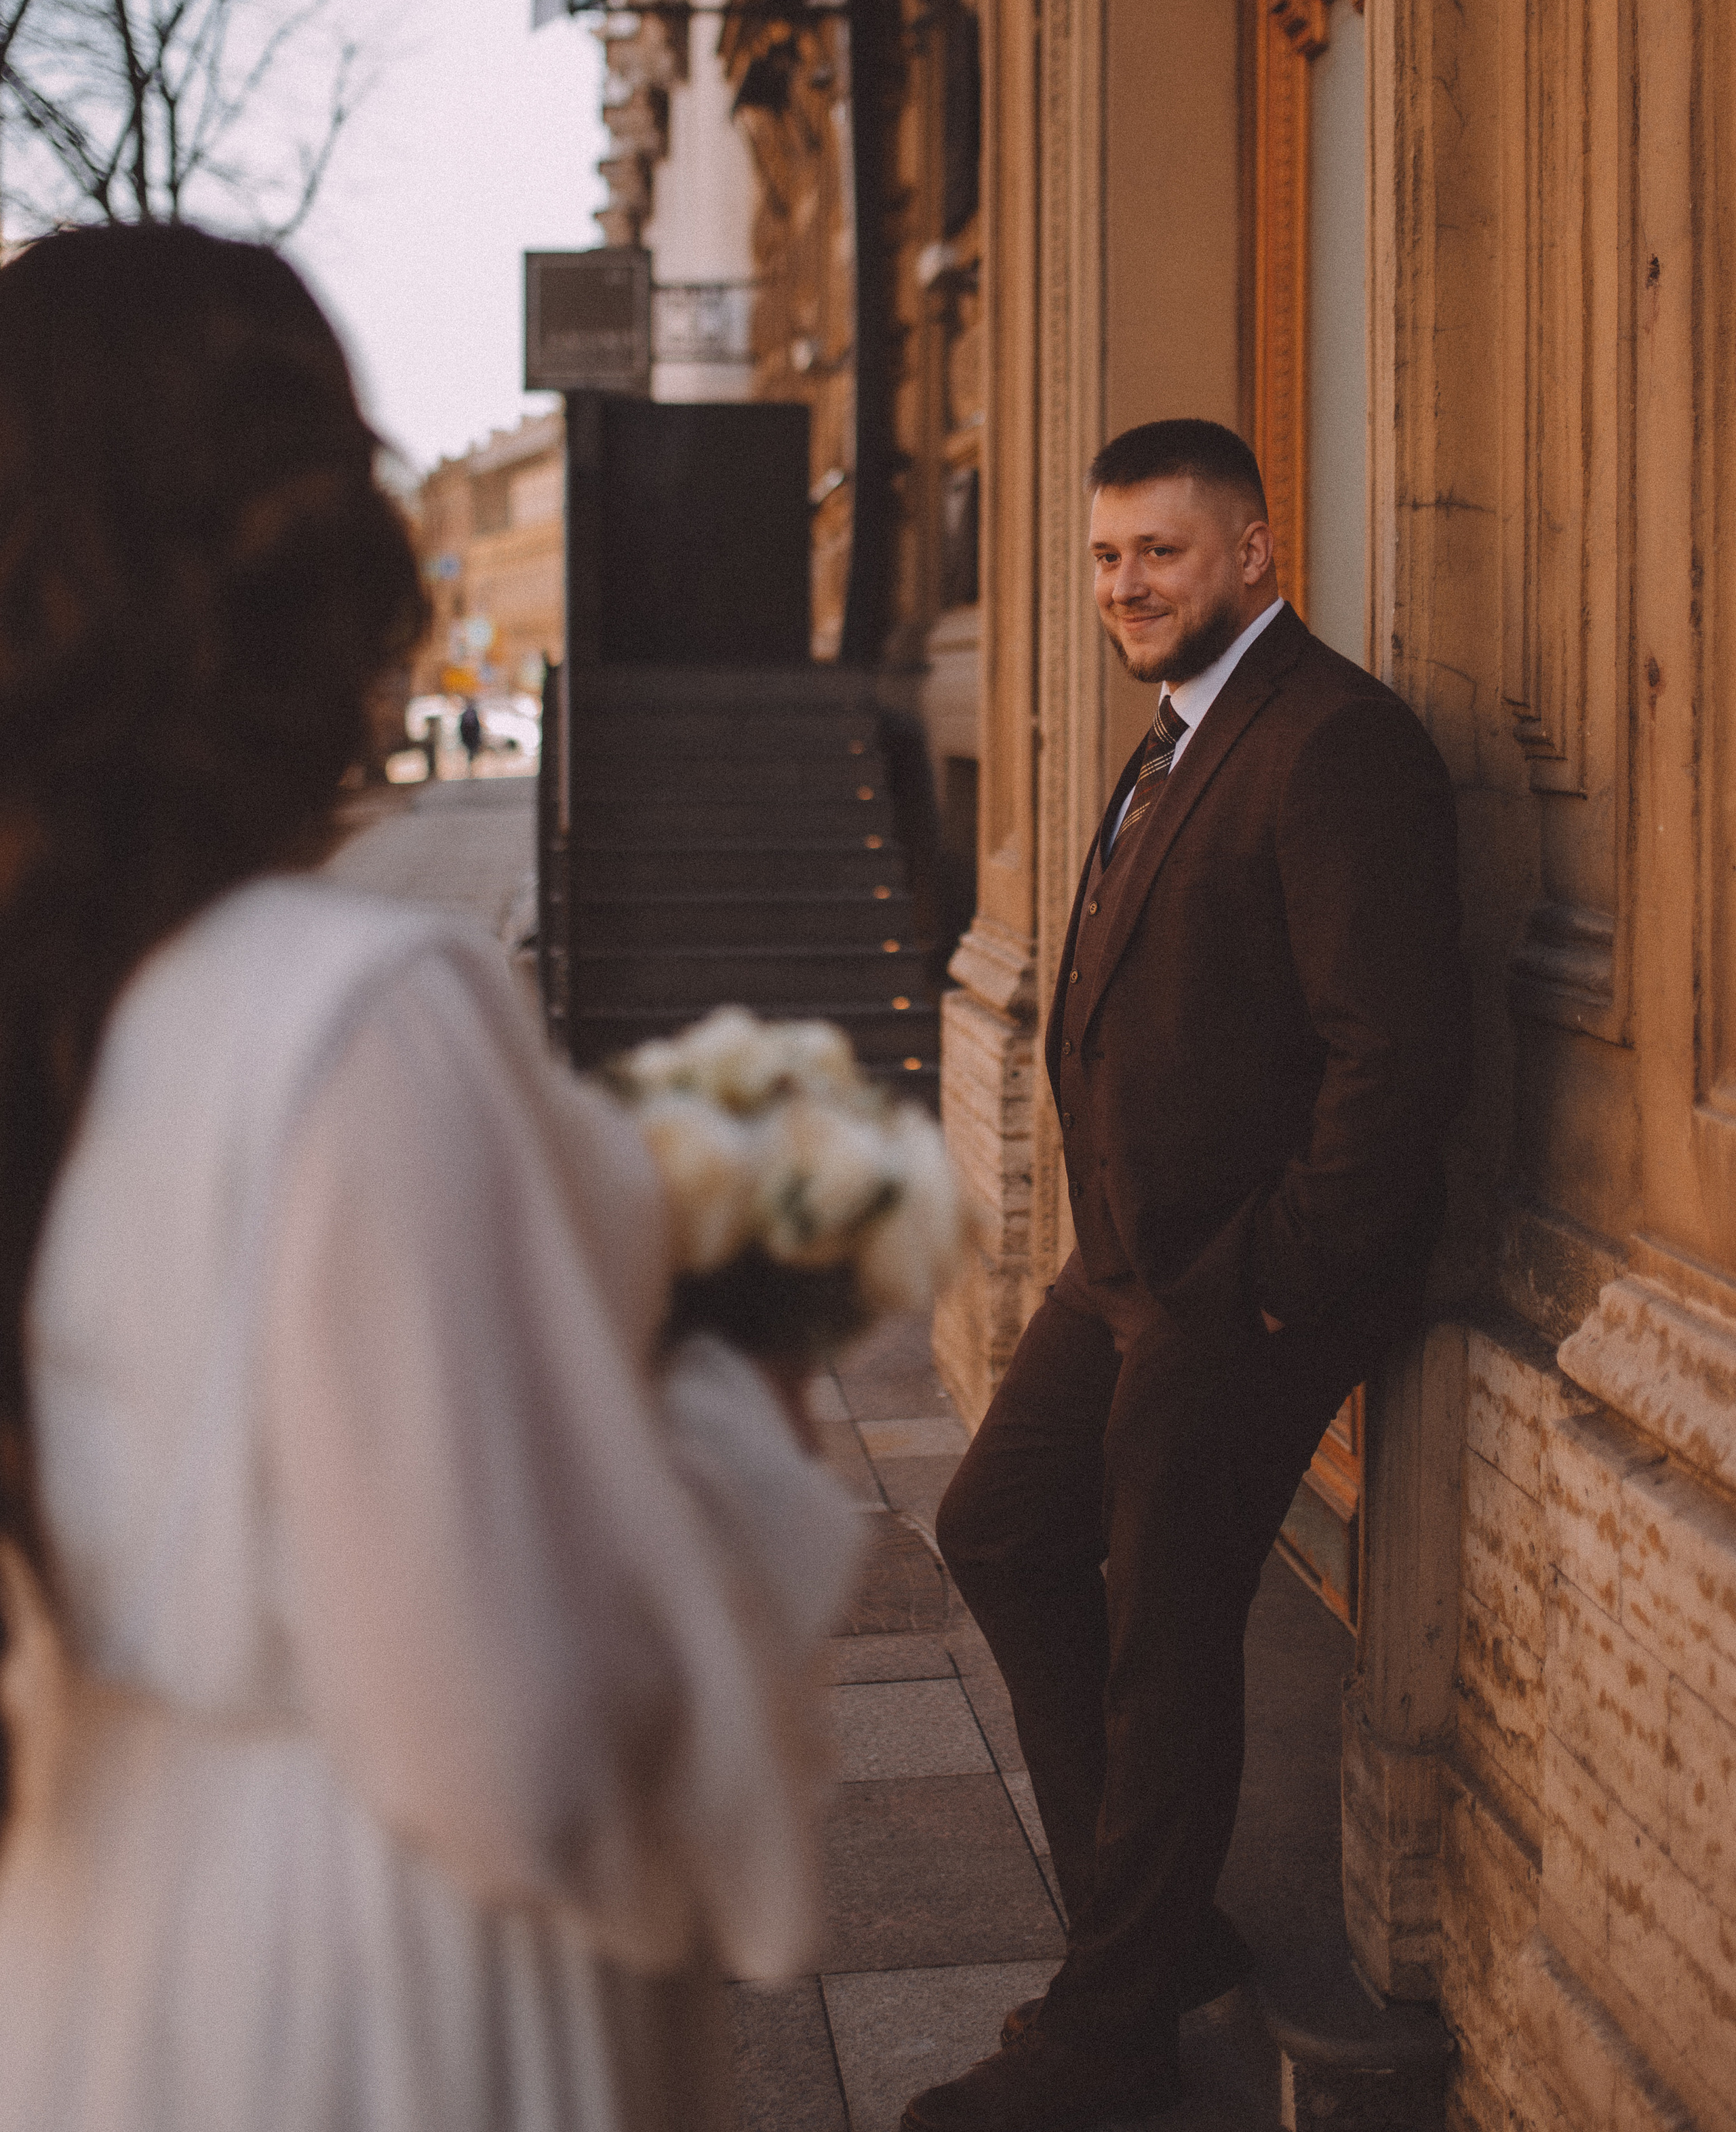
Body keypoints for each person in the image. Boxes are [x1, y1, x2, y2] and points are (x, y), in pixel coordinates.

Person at [0, 224, 860, 2132]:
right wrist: (735, 1417)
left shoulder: (59, 1008)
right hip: (354, 1994)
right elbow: (520, 1746)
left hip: (92, 1942)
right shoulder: (357, 1017)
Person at [903, 418, 1472, 2131]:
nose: (1123, 585)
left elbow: (1392, 1061)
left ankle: (1106, 2032)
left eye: (1158, 551)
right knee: (996, 1527)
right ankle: (1161, 1925)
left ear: (1246, 547)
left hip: (1237, 1283)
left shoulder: (1333, 741)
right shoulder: (1177, 732)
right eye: (1100, 556)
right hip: (1117, 1267)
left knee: (1163, 1644)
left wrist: (1266, 1286)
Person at [458, 696, 484, 771]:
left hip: (472, 735)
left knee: (473, 751)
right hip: (469, 735)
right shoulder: (466, 714)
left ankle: (473, 767)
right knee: (471, 751)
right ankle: (472, 767)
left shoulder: (472, 713)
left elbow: (477, 726)